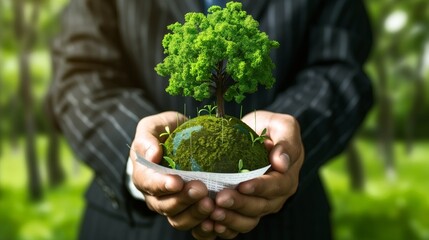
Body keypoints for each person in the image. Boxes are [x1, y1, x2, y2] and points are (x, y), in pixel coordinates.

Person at [47, 0, 373, 239]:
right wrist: (141, 158)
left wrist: (287, 146)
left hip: (287, 226)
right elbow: (80, 75)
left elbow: (338, 70)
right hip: (131, 229)